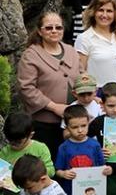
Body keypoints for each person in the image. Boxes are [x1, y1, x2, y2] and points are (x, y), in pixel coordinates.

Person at [17, 12, 81, 160]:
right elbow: (27, 88)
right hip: (45, 124)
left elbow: (82, 77)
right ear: (40, 31)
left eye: (58, 27)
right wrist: (53, 106)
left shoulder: (71, 51)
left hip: (74, 122)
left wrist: (90, 96)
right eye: (49, 28)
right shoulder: (31, 55)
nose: (54, 31)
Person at [75, 0, 116, 115]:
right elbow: (80, 70)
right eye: (101, 10)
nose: (105, 15)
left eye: (109, 11)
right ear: (93, 12)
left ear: (115, 14)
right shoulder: (84, 38)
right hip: (101, 94)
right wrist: (91, 95)